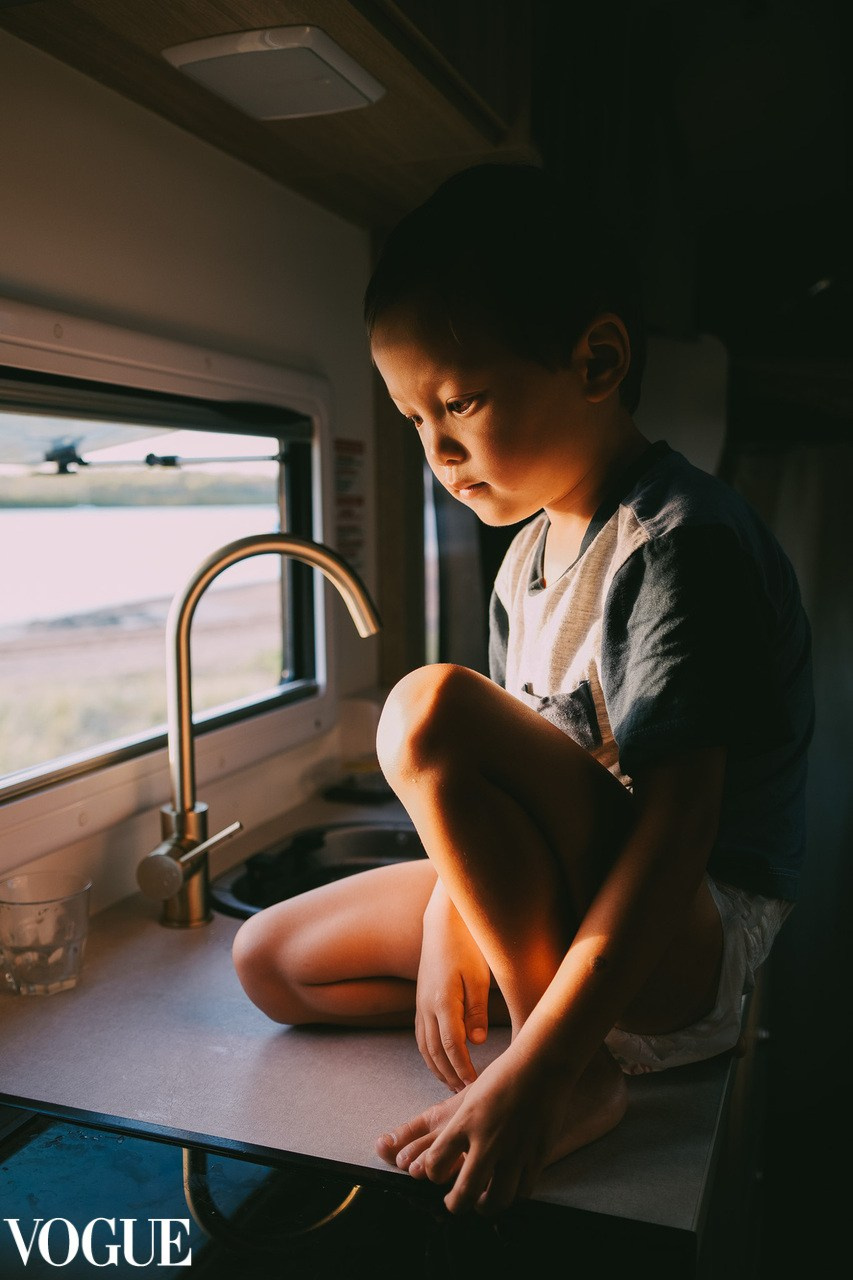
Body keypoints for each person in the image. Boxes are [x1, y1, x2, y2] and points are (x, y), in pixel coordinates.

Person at [232, 163, 814, 1217]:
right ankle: (539, 1016)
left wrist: (539, 1068)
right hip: (574, 903)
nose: (438, 449)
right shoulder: (526, 558)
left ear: (595, 360)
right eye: (413, 417)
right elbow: (519, 779)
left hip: (692, 932)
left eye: (459, 401)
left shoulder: (680, 545)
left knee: (424, 706)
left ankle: (573, 1065)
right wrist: (454, 913)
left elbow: (677, 829)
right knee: (270, 961)